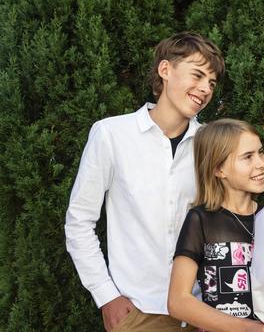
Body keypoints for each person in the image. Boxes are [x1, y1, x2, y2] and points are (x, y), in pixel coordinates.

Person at [65, 32, 225, 331]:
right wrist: (106, 295)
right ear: (165, 70)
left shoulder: (210, 144)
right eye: (198, 75)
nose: (205, 89)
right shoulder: (111, 135)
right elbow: (78, 221)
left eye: (212, 83)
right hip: (138, 313)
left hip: (202, 312)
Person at [168, 118, 264, 332]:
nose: (261, 163)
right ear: (219, 169)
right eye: (247, 157)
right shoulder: (201, 220)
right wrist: (249, 328)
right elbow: (177, 301)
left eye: (260, 152)